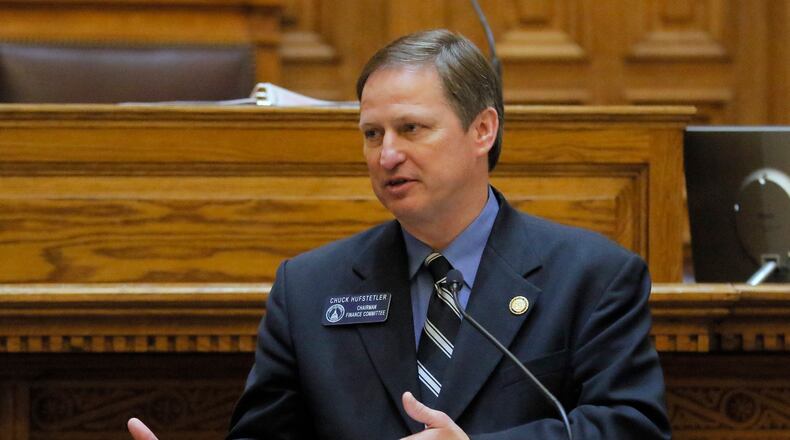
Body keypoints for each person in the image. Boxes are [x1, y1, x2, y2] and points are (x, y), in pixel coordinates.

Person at [129, 29, 671, 440]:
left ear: (482, 130)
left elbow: (630, 426)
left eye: (411, 128)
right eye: (372, 134)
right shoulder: (310, 287)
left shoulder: (592, 277)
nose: (387, 155)